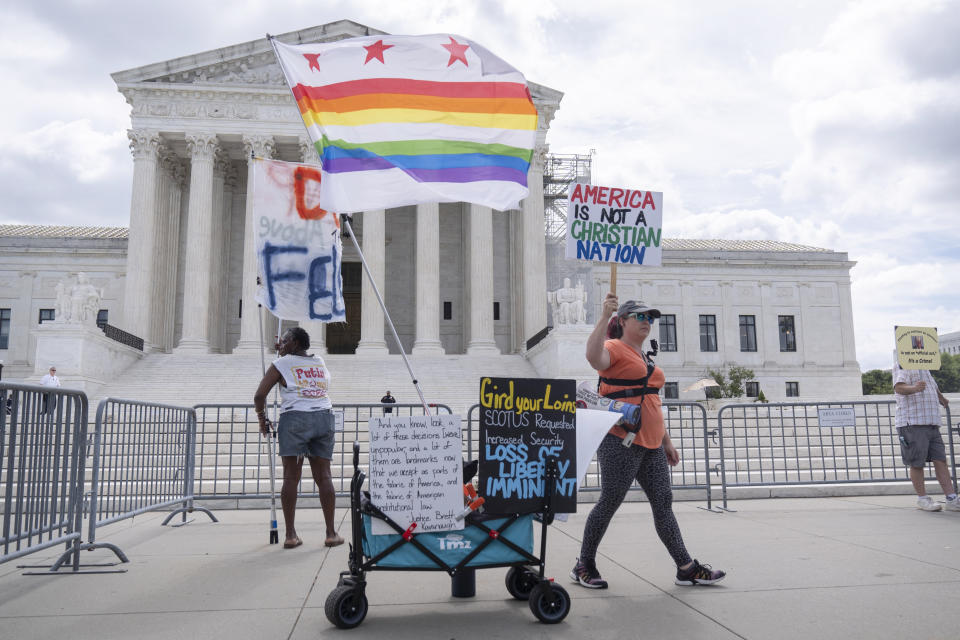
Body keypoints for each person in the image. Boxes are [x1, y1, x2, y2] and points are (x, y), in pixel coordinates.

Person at [571, 293, 726, 589]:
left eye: (650, 317)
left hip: (652, 443)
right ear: (624, 321)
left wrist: (666, 441)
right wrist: (604, 317)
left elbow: (650, 400)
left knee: (663, 505)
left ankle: (686, 568)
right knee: (609, 502)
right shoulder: (613, 347)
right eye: (641, 316)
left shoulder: (645, 355)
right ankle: (583, 564)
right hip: (620, 440)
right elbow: (592, 358)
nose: (648, 322)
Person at [254, 327, 343, 548]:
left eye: (283, 341)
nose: (280, 345)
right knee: (324, 476)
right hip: (323, 416)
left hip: (295, 419)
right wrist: (285, 351)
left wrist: (261, 418)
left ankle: (291, 535)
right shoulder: (319, 361)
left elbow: (259, 395)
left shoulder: (281, 364)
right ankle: (331, 533)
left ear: (294, 342)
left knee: (291, 478)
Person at [893, 358, 957, 511]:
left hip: (931, 422)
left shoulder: (924, 366)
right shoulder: (903, 364)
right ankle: (922, 499)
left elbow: (932, 387)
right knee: (917, 462)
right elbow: (899, 388)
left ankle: (951, 498)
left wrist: (941, 398)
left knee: (941, 460)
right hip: (913, 422)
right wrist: (915, 388)